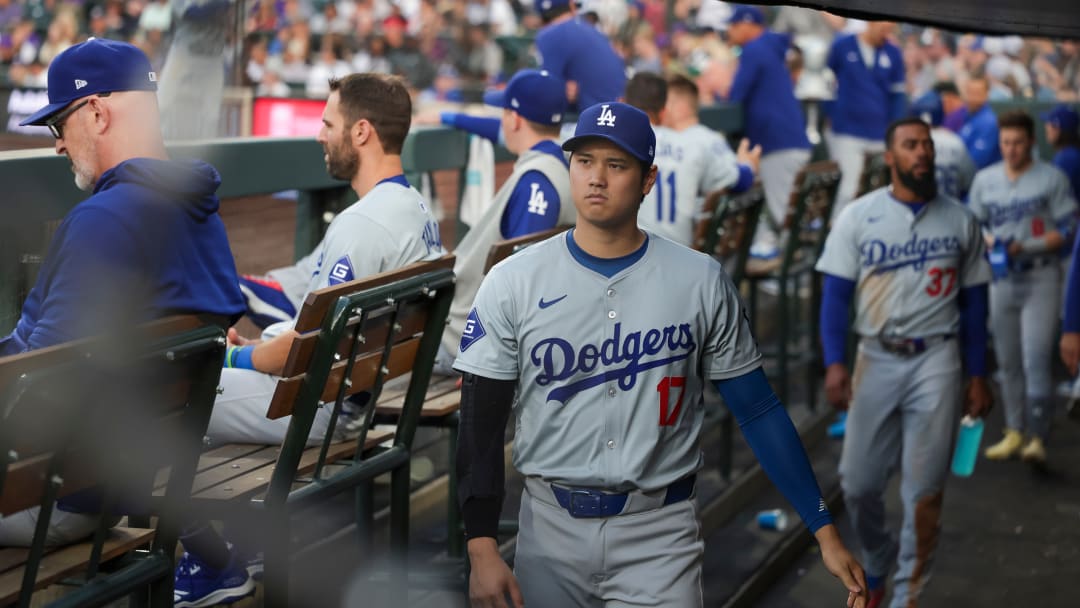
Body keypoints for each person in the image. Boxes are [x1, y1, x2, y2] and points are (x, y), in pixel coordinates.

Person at [454, 101, 868, 608]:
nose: (597, 178)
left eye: (617, 164)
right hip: (548, 531)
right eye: (584, 161)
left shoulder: (698, 279)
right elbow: (480, 421)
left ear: (648, 179)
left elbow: (758, 411)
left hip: (659, 534)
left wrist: (822, 527)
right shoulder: (513, 281)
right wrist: (481, 548)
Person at [172, 73, 447, 608]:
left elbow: (304, 353)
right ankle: (248, 538)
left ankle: (214, 564)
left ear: (361, 132)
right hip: (364, 393)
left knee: (162, 399)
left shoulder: (363, 223)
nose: (320, 135)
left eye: (328, 123)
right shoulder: (414, 208)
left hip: (328, 408)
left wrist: (230, 355)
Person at [1, 38, 245, 544]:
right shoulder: (200, 212)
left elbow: (38, 381)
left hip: (51, 492)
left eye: (58, 124)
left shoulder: (103, 220)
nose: (58, 144)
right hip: (119, 475)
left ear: (96, 113)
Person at [816, 117, 992, 608]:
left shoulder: (960, 219)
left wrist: (979, 374)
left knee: (923, 493)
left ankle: (905, 596)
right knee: (858, 482)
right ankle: (876, 559)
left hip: (937, 356)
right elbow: (835, 298)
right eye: (911, 146)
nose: (922, 154)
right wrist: (834, 363)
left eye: (927, 146)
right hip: (875, 355)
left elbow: (975, 305)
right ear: (890, 157)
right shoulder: (858, 216)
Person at [436, 69, 575, 373]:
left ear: (514, 119)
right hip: (481, 336)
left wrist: (492, 361)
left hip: (466, 341)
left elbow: (522, 285)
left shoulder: (535, 180)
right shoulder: (565, 162)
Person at [969, 110, 1077, 465]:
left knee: (1035, 358)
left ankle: (1037, 435)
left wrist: (1027, 245)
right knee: (1008, 360)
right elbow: (974, 226)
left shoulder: (1052, 177)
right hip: (1002, 277)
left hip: (1040, 274)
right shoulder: (985, 180)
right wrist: (988, 242)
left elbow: (1068, 231)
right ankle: (1014, 431)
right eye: (1005, 143)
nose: (1011, 149)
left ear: (1031, 141)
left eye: (1018, 142)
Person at [627, 71, 760, 248]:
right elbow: (740, 180)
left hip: (631, 252)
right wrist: (749, 166)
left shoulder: (625, 139)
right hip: (685, 253)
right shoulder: (698, 142)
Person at [722, 4, 812, 260]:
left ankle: (794, 275)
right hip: (788, 139)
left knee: (785, 215)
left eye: (734, 25)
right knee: (785, 214)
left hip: (778, 142)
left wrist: (720, 92)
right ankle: (792, 270)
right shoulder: (768, 48)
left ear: (749, 25)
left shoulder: (755, 49)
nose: (731, 30)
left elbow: (736, 95)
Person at [825, 21, 907, 214]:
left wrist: (894, 130)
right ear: (871, 22)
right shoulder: (843, 45)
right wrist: (831, 112)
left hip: (880, 132)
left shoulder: (893, 52)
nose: (885, 33)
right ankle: (839, 233)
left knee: (878, 191)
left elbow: (898, 96)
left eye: (889, 30)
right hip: (848, 130)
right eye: (883, 28)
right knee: (847, 190)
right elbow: (825, 81)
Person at [533, 0, 626, 112]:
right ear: (572, 7)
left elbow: (548, 93)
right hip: (621, 112)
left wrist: (561, 89)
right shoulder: (592, 30)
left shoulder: (549, 35)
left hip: (600, 117)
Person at [909, 92, 977, 200]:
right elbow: (970, 182)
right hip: (952, 208)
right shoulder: (955, 141)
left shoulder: (908, 143)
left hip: (918, 209)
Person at [956, 76, 1002, 170]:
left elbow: (976, 162)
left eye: (977, 93)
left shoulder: (989, 122)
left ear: (986, 94)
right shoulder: (966, 115)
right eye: (970, 92)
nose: (972, 97)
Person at [1041, 104, 1080, 198]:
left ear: (1059, 129)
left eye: (1051, 125)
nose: (1047, 126)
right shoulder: (1071, 153)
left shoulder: (1068, 157)